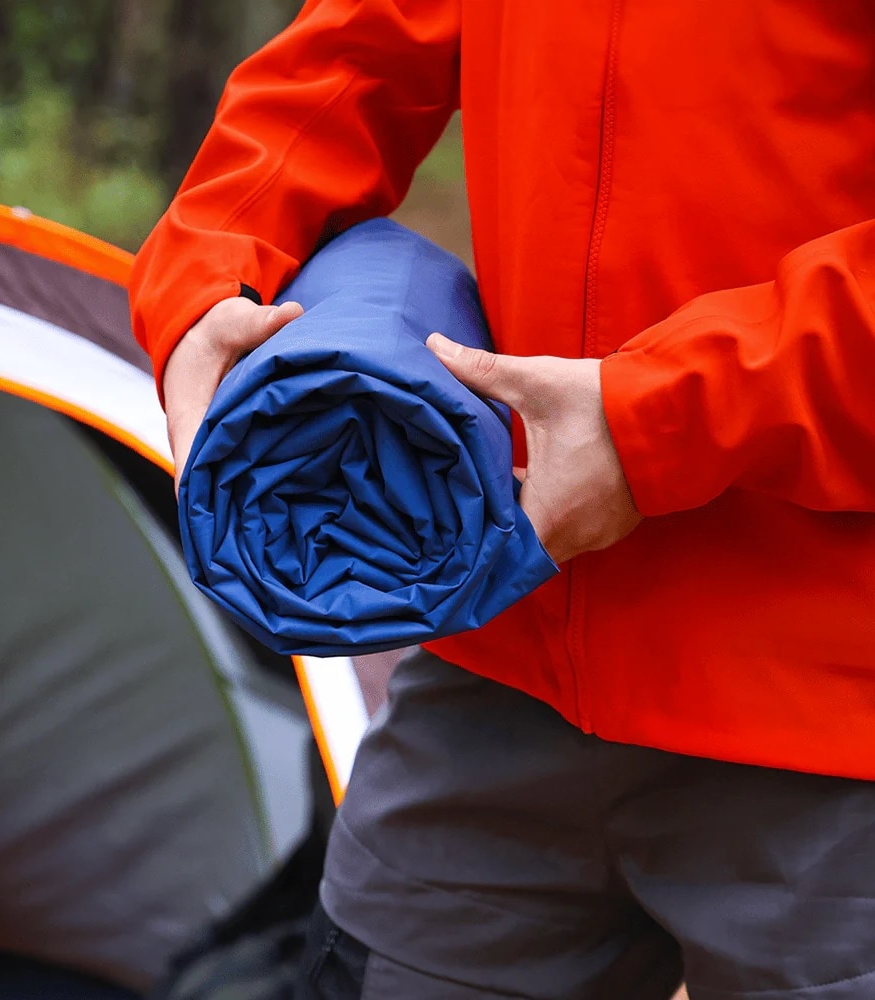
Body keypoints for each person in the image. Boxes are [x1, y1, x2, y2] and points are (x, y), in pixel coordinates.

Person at [129, 3, 875, 997]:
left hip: (828, 716)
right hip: (501, 642)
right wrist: (208, 280)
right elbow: (349, 61)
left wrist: (663, 419)